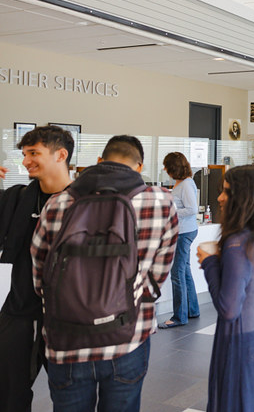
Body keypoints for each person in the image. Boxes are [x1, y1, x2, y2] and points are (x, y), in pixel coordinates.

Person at [31, 135, 179, 412]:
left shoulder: (57, 203)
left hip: (67, 340)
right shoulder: (161, 202)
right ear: (139, 166)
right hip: (127, 337)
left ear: (100, 161)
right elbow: (157, 276)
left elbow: (40, 276)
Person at [198, 165, 254, 412]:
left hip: (242, 347)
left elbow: (229, 308)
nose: (219, 198)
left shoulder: (237, 243)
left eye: (226, 191)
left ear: (245, 197)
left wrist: (208, 263)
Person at [0, 126, 73, 411]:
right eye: (24, 154)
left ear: (61, 155)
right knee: (8, 393)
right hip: (20, 310)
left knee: (70, 397)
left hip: (68, 318)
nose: (26, 160)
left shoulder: (86, 204)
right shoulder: (17, 199)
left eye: (34, 153)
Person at [159, 151, 200, 329]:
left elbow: (192, 209)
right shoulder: (182, 183)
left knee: (177, 274)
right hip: (184, 231)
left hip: (184, 233)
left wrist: (171, 211)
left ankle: (179, 317)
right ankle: (192, 310)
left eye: (166, 166)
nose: (164, 169)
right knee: (184, 272)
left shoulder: (186, 184)